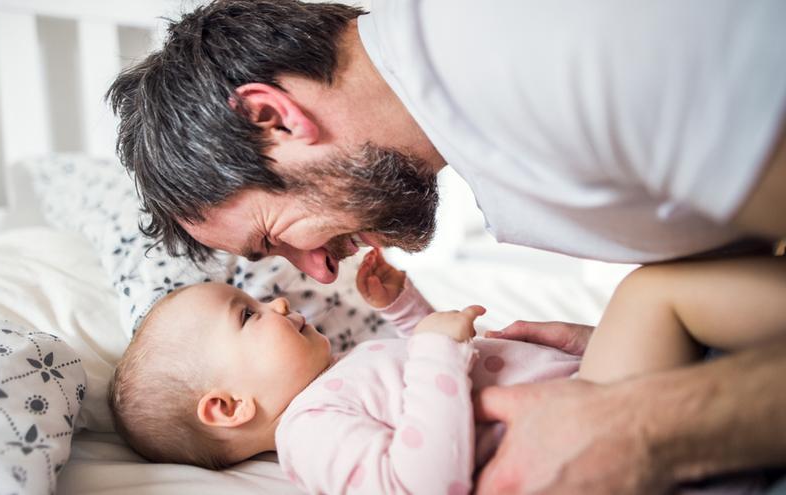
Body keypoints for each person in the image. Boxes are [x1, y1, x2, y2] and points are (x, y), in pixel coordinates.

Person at [106, 0, 786, 492]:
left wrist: (649, 421)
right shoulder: (313, 424)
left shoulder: (553, 59)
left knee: (653, 292)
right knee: (656, 292)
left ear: (272, 118)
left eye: (274, 237)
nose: (314, 272)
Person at [109, 250, 581, 493]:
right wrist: (439, 349)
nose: (276, 301)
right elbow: (420, 483)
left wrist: (404, 310)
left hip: (585, 382)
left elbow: (423, 388)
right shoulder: (310, 433)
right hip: (580, 428)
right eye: (248, 315)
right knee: (648, 292)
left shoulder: (336, 374)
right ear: (229, 407)